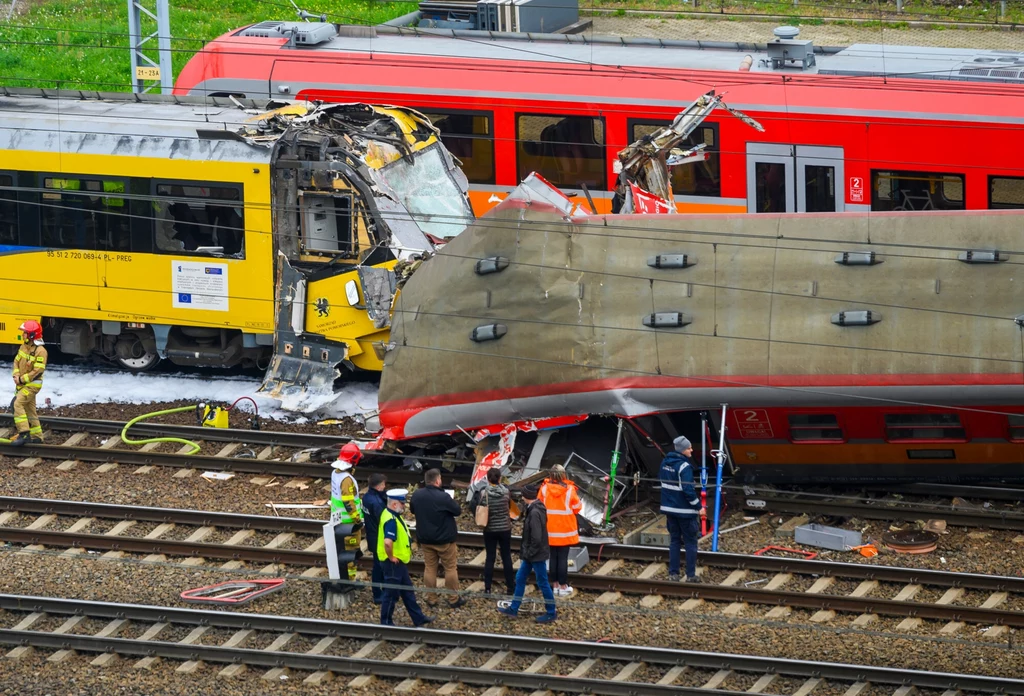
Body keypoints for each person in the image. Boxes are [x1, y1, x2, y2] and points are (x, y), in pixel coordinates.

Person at [497, 484, 556, 623]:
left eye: (522, 495)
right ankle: (514, 608)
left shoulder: (534, 512)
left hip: (535, 554)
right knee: (520, 578)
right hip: (533, 553)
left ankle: (551, 612)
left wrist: (529, 553)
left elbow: (536, 537)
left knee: (542, 583)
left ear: (525, 496)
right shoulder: (535, 508)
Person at [378, 489, 433, 627]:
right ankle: (385, 622)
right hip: (392, 563)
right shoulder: (391, 519)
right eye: (402, 504)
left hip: (399, 563)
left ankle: (418, 618)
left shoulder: (390, 514)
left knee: (407, 591)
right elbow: (387, 542)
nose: (404, 506)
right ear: (395, 504)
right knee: (391, 594)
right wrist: (391, 557)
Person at [410, 468, 465, 608]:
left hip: (426, 539)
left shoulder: (417, 495)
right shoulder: (443, 497)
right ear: (437, 480)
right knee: (450, 568)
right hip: (445, 540)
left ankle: (432, 598)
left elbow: (412, 509)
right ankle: (453, 598)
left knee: (429, 568)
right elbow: (457, 511)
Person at [659, 435, 705, 583]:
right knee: (691, 542)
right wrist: (699, 507)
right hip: (685, 512)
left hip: (669, 510)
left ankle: (673, 574)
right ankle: (690, 575)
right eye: (689, 448)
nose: (691, 450)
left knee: (674, 542)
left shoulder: (664, 463)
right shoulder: (684, 467)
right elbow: (688, 490)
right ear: (682, 450)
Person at [538, 464, 582, 596]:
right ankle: (563, 587)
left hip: (549, 530)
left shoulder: (544, 489)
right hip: (565, 530)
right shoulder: (569, 490)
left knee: (552, 558)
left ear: (551, 475)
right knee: (562, 558)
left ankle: (555, 585)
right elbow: (577, 507)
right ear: (563, 475)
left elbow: (539, 505)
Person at [472, 467, 514, 595]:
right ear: (500, 478)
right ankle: (510, 587)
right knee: (506, 557)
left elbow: (475, 506)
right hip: (505, 528)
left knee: (490, 557)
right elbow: (510, 507)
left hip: (489, 529)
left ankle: (488, 588)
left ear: (487, 479)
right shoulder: (506, 492)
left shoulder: (483, 493)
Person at [329, 442, 363, 580]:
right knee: (351, 553)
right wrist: (357, 519)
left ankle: (346, 578)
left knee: (342, 551)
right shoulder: (347, 479)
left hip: (338, 520)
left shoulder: (335, 473)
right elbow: (348, 502)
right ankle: (350, 581)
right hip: (349, 524)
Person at [10, 320, 46, 447]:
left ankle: (24, 434)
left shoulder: (40, 351)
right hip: (22, 384)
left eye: (25, 333)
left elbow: (37, 371)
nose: (23, 335)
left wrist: (21, 379)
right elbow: (16, 362)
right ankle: (37, 437)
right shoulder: (23, 347)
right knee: (30, 410)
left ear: (31, 335)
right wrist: (16, 375)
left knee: (17, 404)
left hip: (32, 386)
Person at [361, 472, 389, 605]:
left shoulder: (367, 497)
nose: (385, 486)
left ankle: (381, 591)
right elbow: (383, 520)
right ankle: (378, 594)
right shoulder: (377, 503)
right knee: (379, 566)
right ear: (378, 486)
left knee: (378, 565)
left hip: (371, 535)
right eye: (383, 484)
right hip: (379, 537)